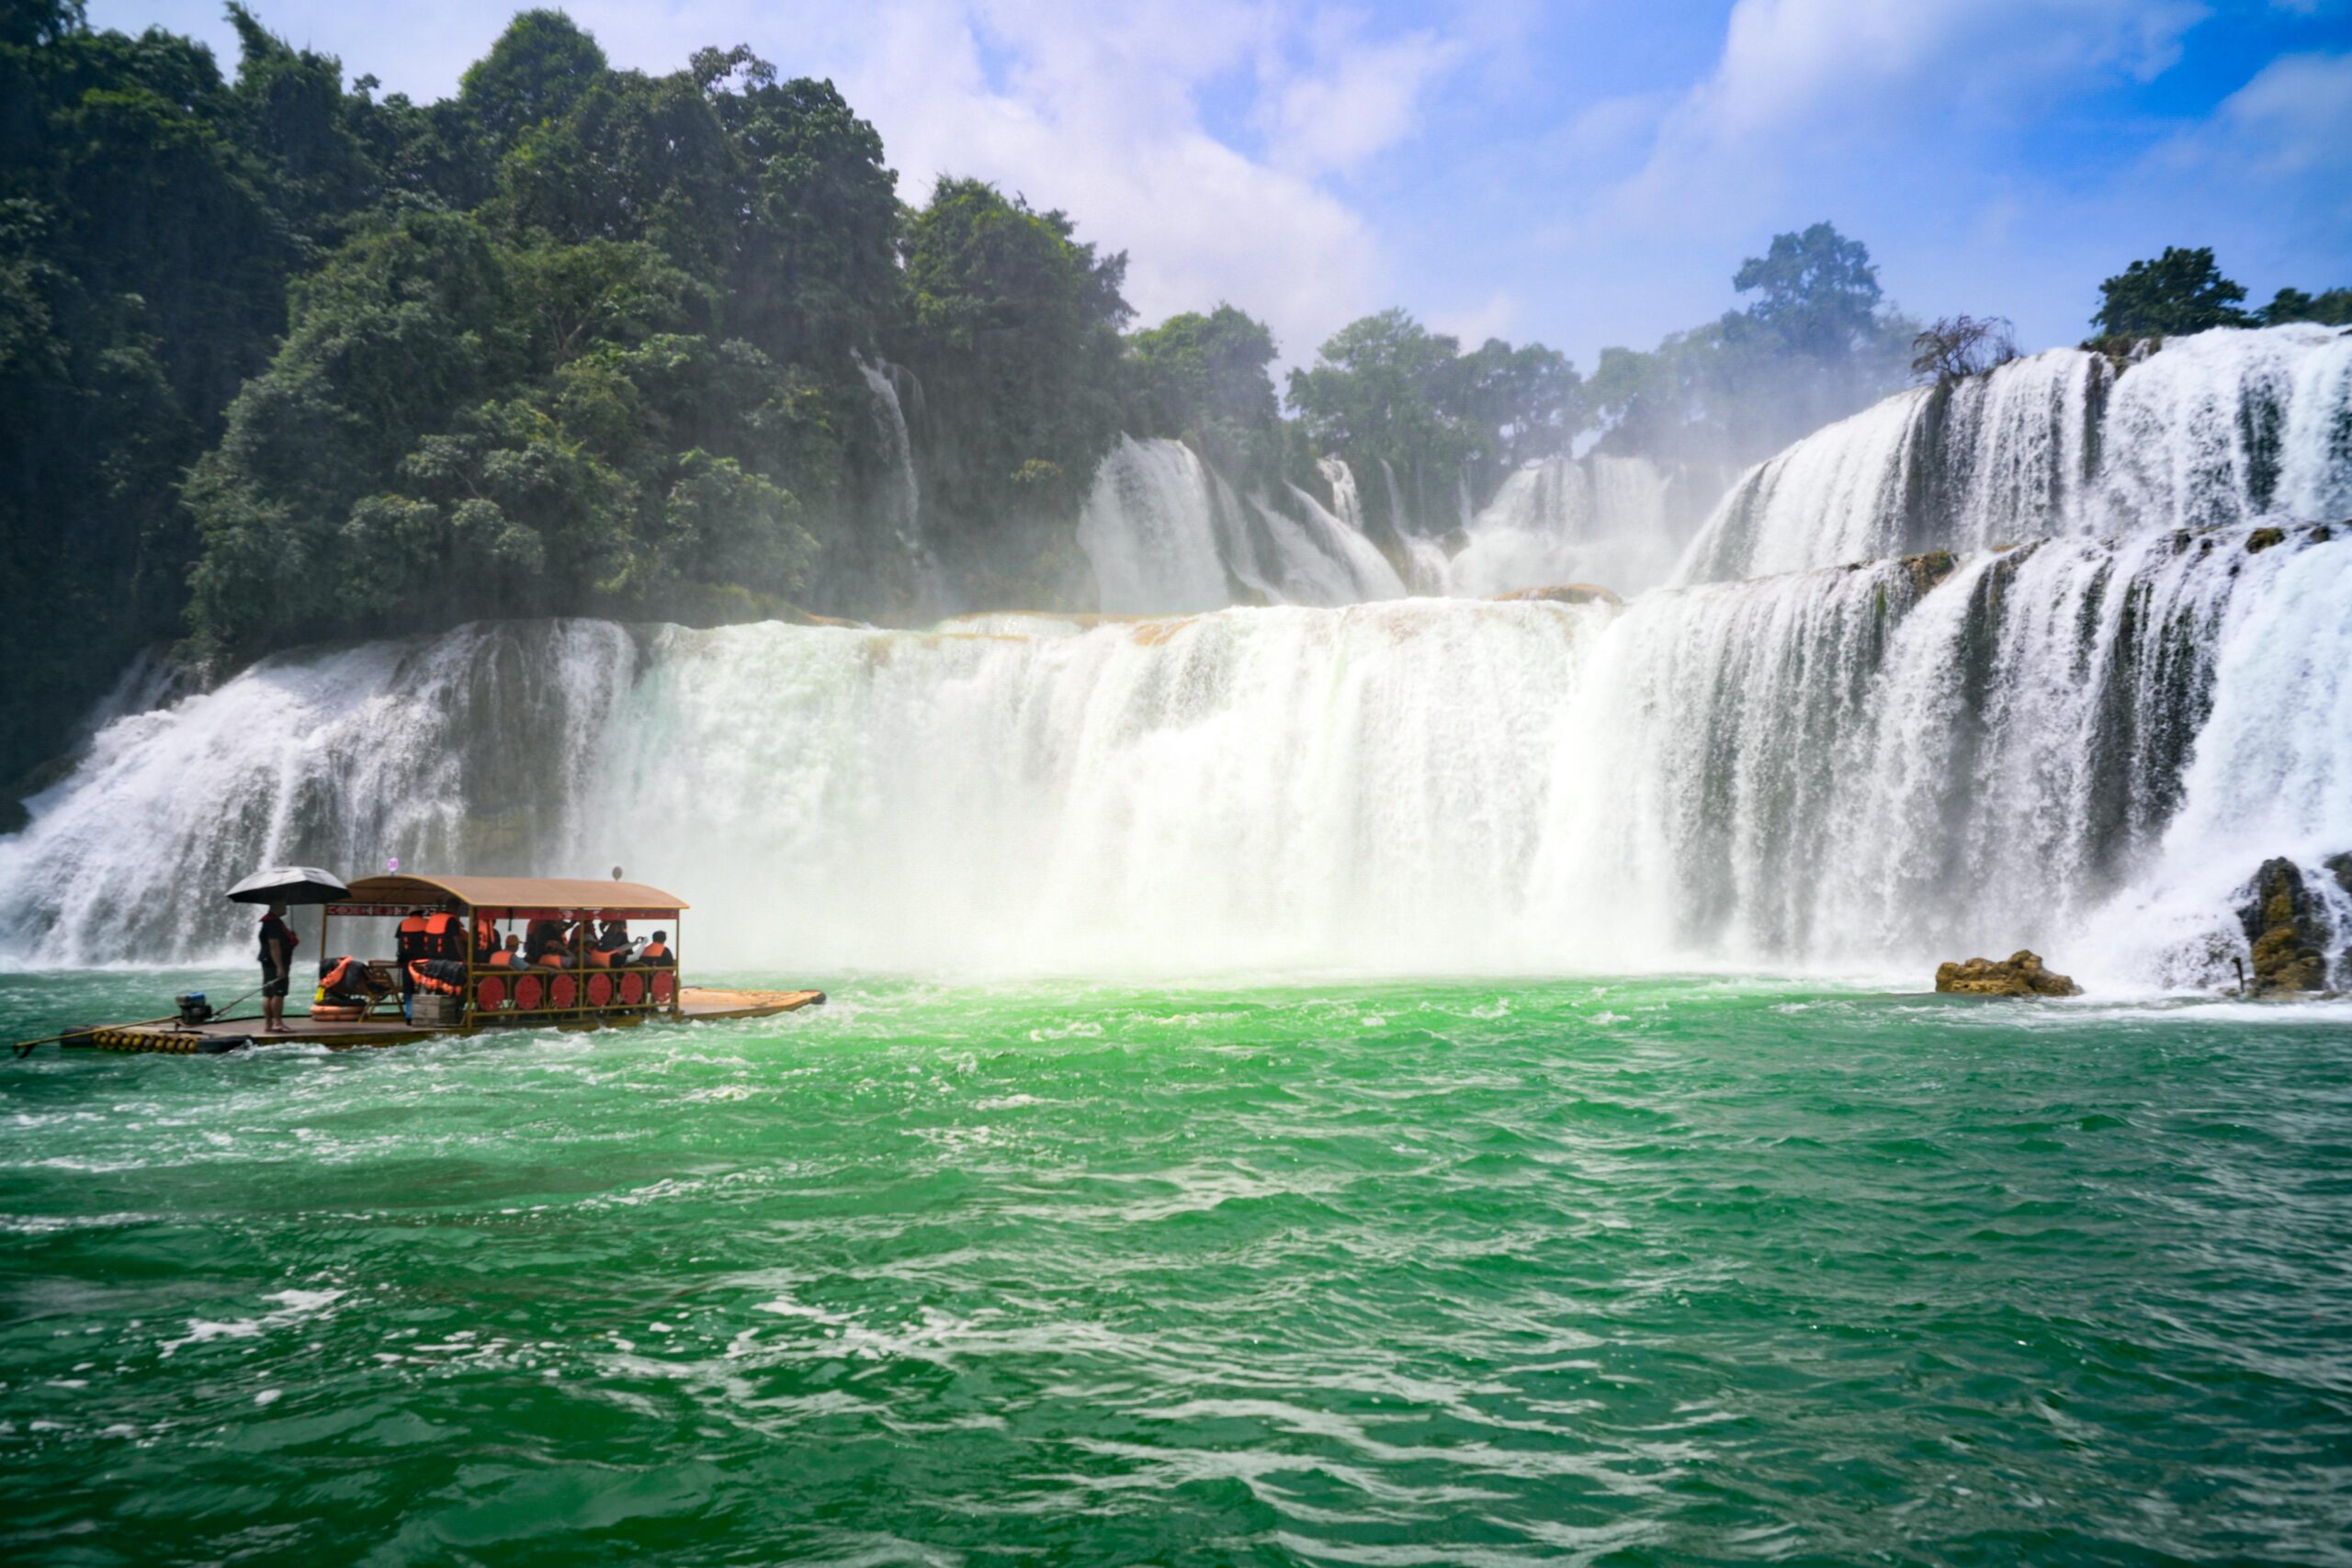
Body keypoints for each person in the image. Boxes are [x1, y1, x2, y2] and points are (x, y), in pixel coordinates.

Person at [258, 902, 299, 1032]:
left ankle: (268, 1024)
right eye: (283, 905)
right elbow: (274, 945)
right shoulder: (274, 923)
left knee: (268, 993)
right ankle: (278, 1023)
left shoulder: (270, 922)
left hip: (267, 961)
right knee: (278, 993)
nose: (286, 908)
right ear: (276, 907)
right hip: (276, 963)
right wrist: (280, 967)